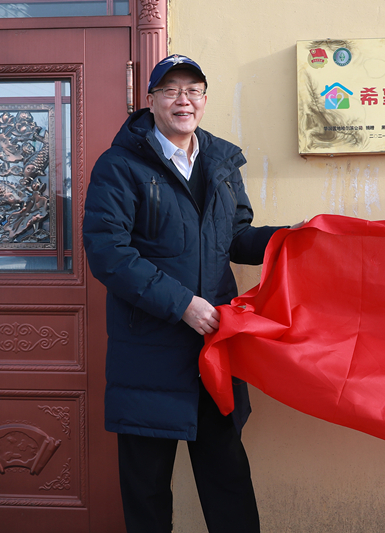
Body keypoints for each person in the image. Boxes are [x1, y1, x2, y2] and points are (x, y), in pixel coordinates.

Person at [83, 54, 299, 533]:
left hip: (213, 349)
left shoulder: (221, 163)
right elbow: (108, 252)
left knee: (228, 483)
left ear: (203, 99)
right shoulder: (120, 165)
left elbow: (235, 238)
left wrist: (292, 239)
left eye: (193, 90)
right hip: (147, 355)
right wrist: (181, 304)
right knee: (147, 493)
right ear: (151, 100)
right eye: (171, 90)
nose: (183, 100)